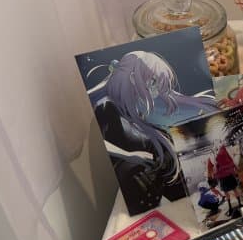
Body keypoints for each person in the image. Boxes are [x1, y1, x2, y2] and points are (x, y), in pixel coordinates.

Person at [86, 51, 215, 214]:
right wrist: (129, 155)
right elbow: (106, 145)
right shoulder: (106, 106)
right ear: (133, 78)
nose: (157, 90)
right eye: (153, 82)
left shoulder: (133, 111)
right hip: (138, 184)